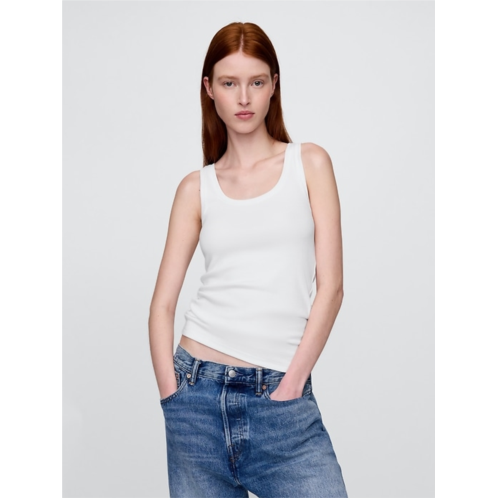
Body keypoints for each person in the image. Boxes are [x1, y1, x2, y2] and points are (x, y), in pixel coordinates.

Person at [148, 21, 348, 498]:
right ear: (209, 89)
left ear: (273, 86)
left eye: (256, 82)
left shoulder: (309, 164)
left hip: (282, 401)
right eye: (229, 83)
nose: (243, 97)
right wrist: (171, 397)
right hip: (196, 395)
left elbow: (332, 288)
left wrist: (292, 384)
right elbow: (161, 306)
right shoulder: (196, 188)